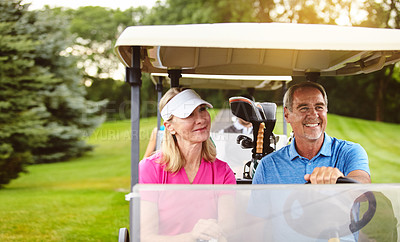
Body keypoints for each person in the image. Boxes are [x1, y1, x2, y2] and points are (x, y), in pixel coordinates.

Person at [139, 87, 236, 242]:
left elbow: (228, 226)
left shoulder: (222, 171)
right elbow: (146, 237)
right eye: (189, 114)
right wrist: (192, 237)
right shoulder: (150, 169)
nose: (201, 119)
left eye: (202, 109)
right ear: (170, 126)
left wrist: (218, 231)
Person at [253, 81, 371, 185]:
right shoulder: (267, 166)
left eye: (319, 107)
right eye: (304, 108)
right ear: (287, 115)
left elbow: (363, 183)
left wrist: (340, 179)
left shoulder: (349, 152)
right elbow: (257, 211)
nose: (313, 114)